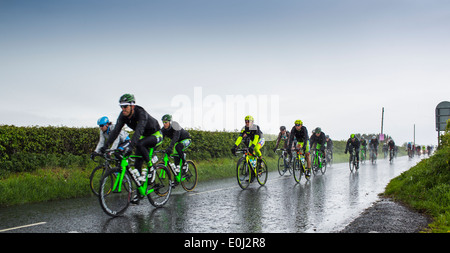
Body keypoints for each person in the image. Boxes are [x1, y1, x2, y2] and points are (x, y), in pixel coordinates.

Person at [101, 94, 163, 186]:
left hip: (156, 134)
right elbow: (115, 131)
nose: (123, 109)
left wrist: (130, 146)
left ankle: (151, 167)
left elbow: (138, 131)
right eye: (121, 106)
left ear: (132, 106)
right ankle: (140, 192)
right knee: (137, 164)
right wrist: (106, 146)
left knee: (139, 144)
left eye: (125, 106)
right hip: (144, 136)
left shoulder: (141, 113)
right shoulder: (123, 116)